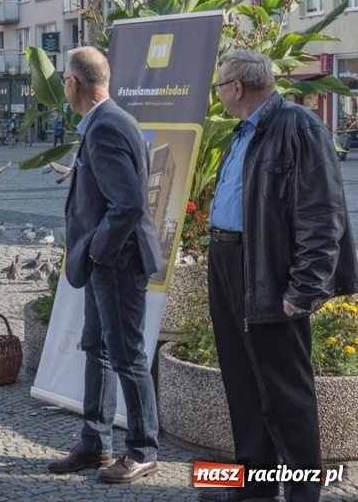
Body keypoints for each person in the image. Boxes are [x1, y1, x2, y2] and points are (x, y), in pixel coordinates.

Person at [197, 50, 358, 502]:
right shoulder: (243, 131)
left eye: (219, 85)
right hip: (229, 261)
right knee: (242, 381)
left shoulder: (298, 126)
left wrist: (305, 286)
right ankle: (254, 482)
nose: (218, 93)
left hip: (268, 269)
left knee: (285, 392)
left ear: (236, 87)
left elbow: (323, 214)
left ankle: (303, 493)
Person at [48, 46, 162, 483]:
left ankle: (143, 450)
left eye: (64, 79)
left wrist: (97, 251)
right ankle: (95, 442)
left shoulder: (106, 126)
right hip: (107, 262)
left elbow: (127, 204)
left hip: (116, 262)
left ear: (74, 83)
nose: (64, 86)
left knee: (127, 356)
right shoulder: (110, 120)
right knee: (96, 348)